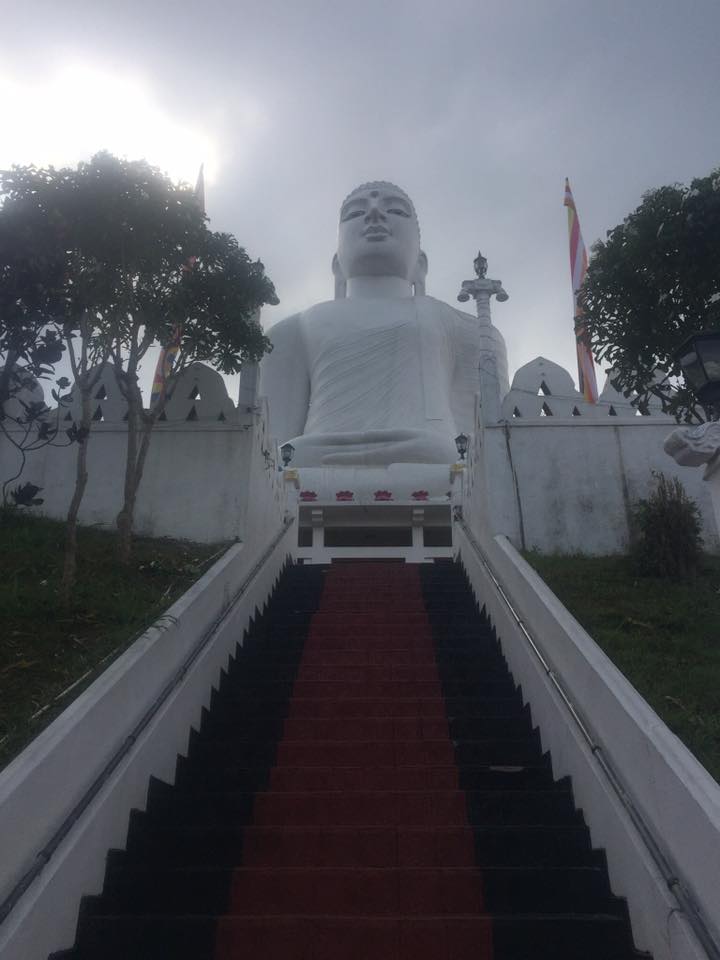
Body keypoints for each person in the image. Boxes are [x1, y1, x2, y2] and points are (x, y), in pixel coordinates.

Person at [259, 181, 508, 469]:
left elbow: (482, 445)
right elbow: (270, 450)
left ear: (420, 264)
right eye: (355, 213)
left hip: (432, 463)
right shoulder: (293, 330)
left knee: (448, 455)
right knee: (288, 458)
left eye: (395, 211)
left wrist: (451, 455)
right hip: (315, 466)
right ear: (337, 265)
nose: (374, 214)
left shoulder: (470, 331)